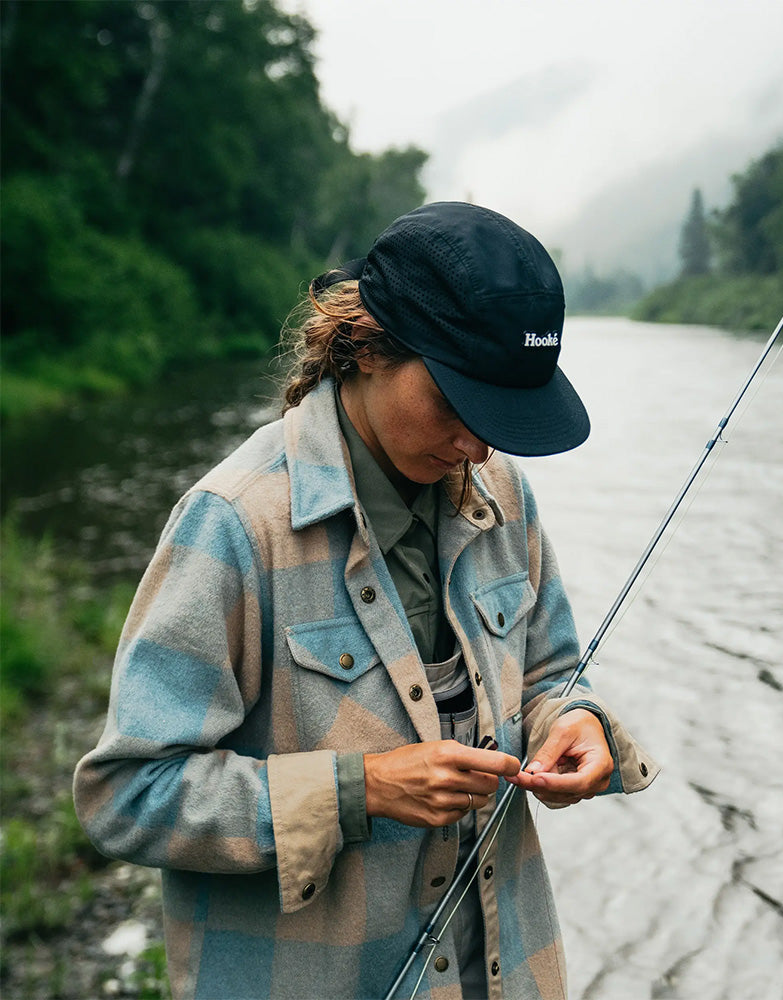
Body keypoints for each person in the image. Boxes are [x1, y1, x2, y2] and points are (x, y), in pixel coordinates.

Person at [74, 201, 658, 1000]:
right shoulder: (234, 527)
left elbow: (554, 671)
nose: (478, 446)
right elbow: (127, 797)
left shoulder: (502, 496)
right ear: (367, 346)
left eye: (500, 418)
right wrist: (362, 790)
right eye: (459, 405)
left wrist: (577, 723)